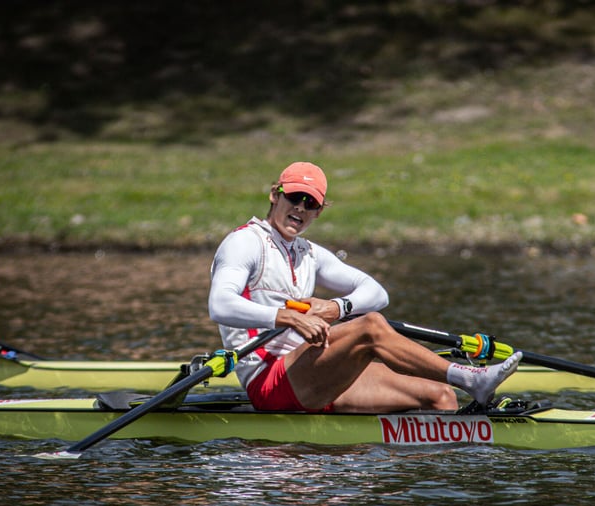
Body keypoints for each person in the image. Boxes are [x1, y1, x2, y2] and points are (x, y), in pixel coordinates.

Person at [208, 161, 521, 413]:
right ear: (275, 195)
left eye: (311, 202)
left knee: (440, 395)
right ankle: (472, 378)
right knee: (369, 326)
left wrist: (336, 307)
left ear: (319, 211)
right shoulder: (244, 242)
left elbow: (376, 293)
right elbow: (220, 304)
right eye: (294, 197)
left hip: (314, 369)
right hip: (269, 378)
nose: (300, 208)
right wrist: (288, 317)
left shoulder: (309, 253)